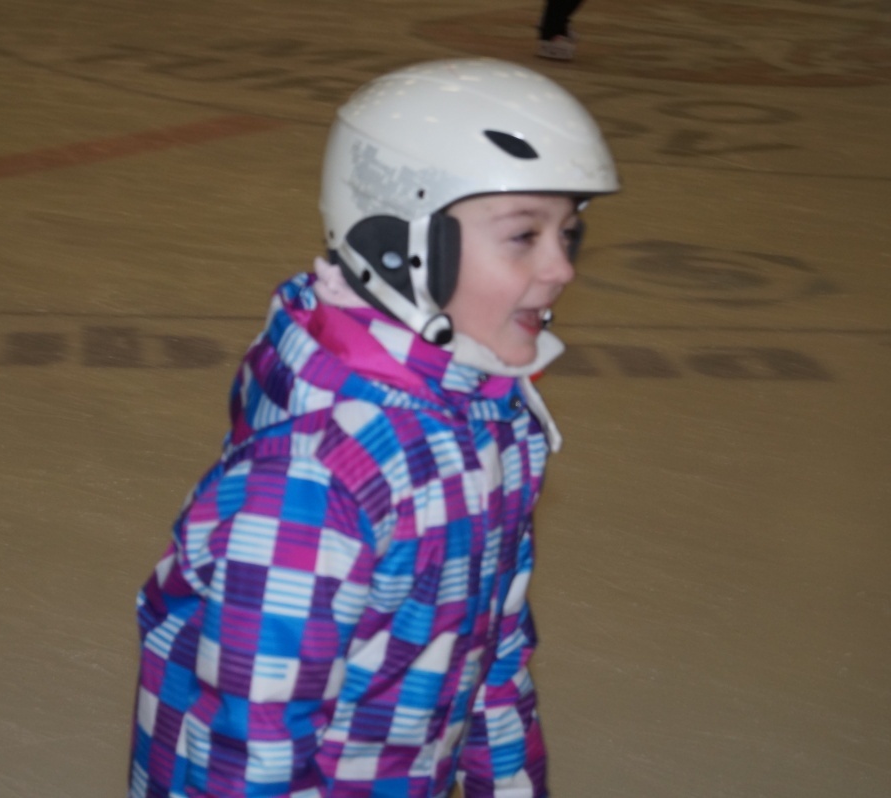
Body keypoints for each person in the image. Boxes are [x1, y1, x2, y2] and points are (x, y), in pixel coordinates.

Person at [129, 58, 618, 798]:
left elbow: (493, 658)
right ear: (398, 247)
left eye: (568, 233)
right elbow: (251, 747)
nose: (562, 268)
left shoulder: (492, 424)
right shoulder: (311, 483)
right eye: (524, 236)